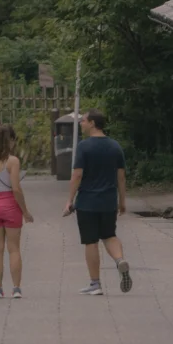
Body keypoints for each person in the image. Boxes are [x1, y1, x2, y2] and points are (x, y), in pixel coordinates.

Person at [63, 109, 132, 295]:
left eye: (83, 120)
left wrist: (69, 200)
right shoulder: (115, 146)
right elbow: (121, 177)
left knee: (91, 241)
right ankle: (119, 261)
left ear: (93, 123)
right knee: (109, 235)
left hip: (87, 202)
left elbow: (77, 174)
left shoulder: (84, 147)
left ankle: (95, 283)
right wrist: (122, 201)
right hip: (109, 201)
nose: (81, 123)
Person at [0, 123, 33, 298]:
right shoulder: (13, 161)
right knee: (14, 249)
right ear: (10, 141)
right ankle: (16, 289)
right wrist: (25, 212)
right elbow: (16, 189)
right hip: (10, 206)